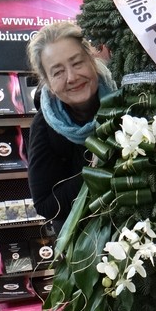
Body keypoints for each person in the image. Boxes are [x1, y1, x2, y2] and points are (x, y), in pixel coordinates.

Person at [27, 21, 115, 233]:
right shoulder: (45, 126)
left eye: (77, 63)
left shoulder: (125, 100)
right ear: (47, 82)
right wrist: (98, 172)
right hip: (85, 240)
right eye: (58, 72)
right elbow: (45, 204)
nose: (72, 77)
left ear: (92, 60)